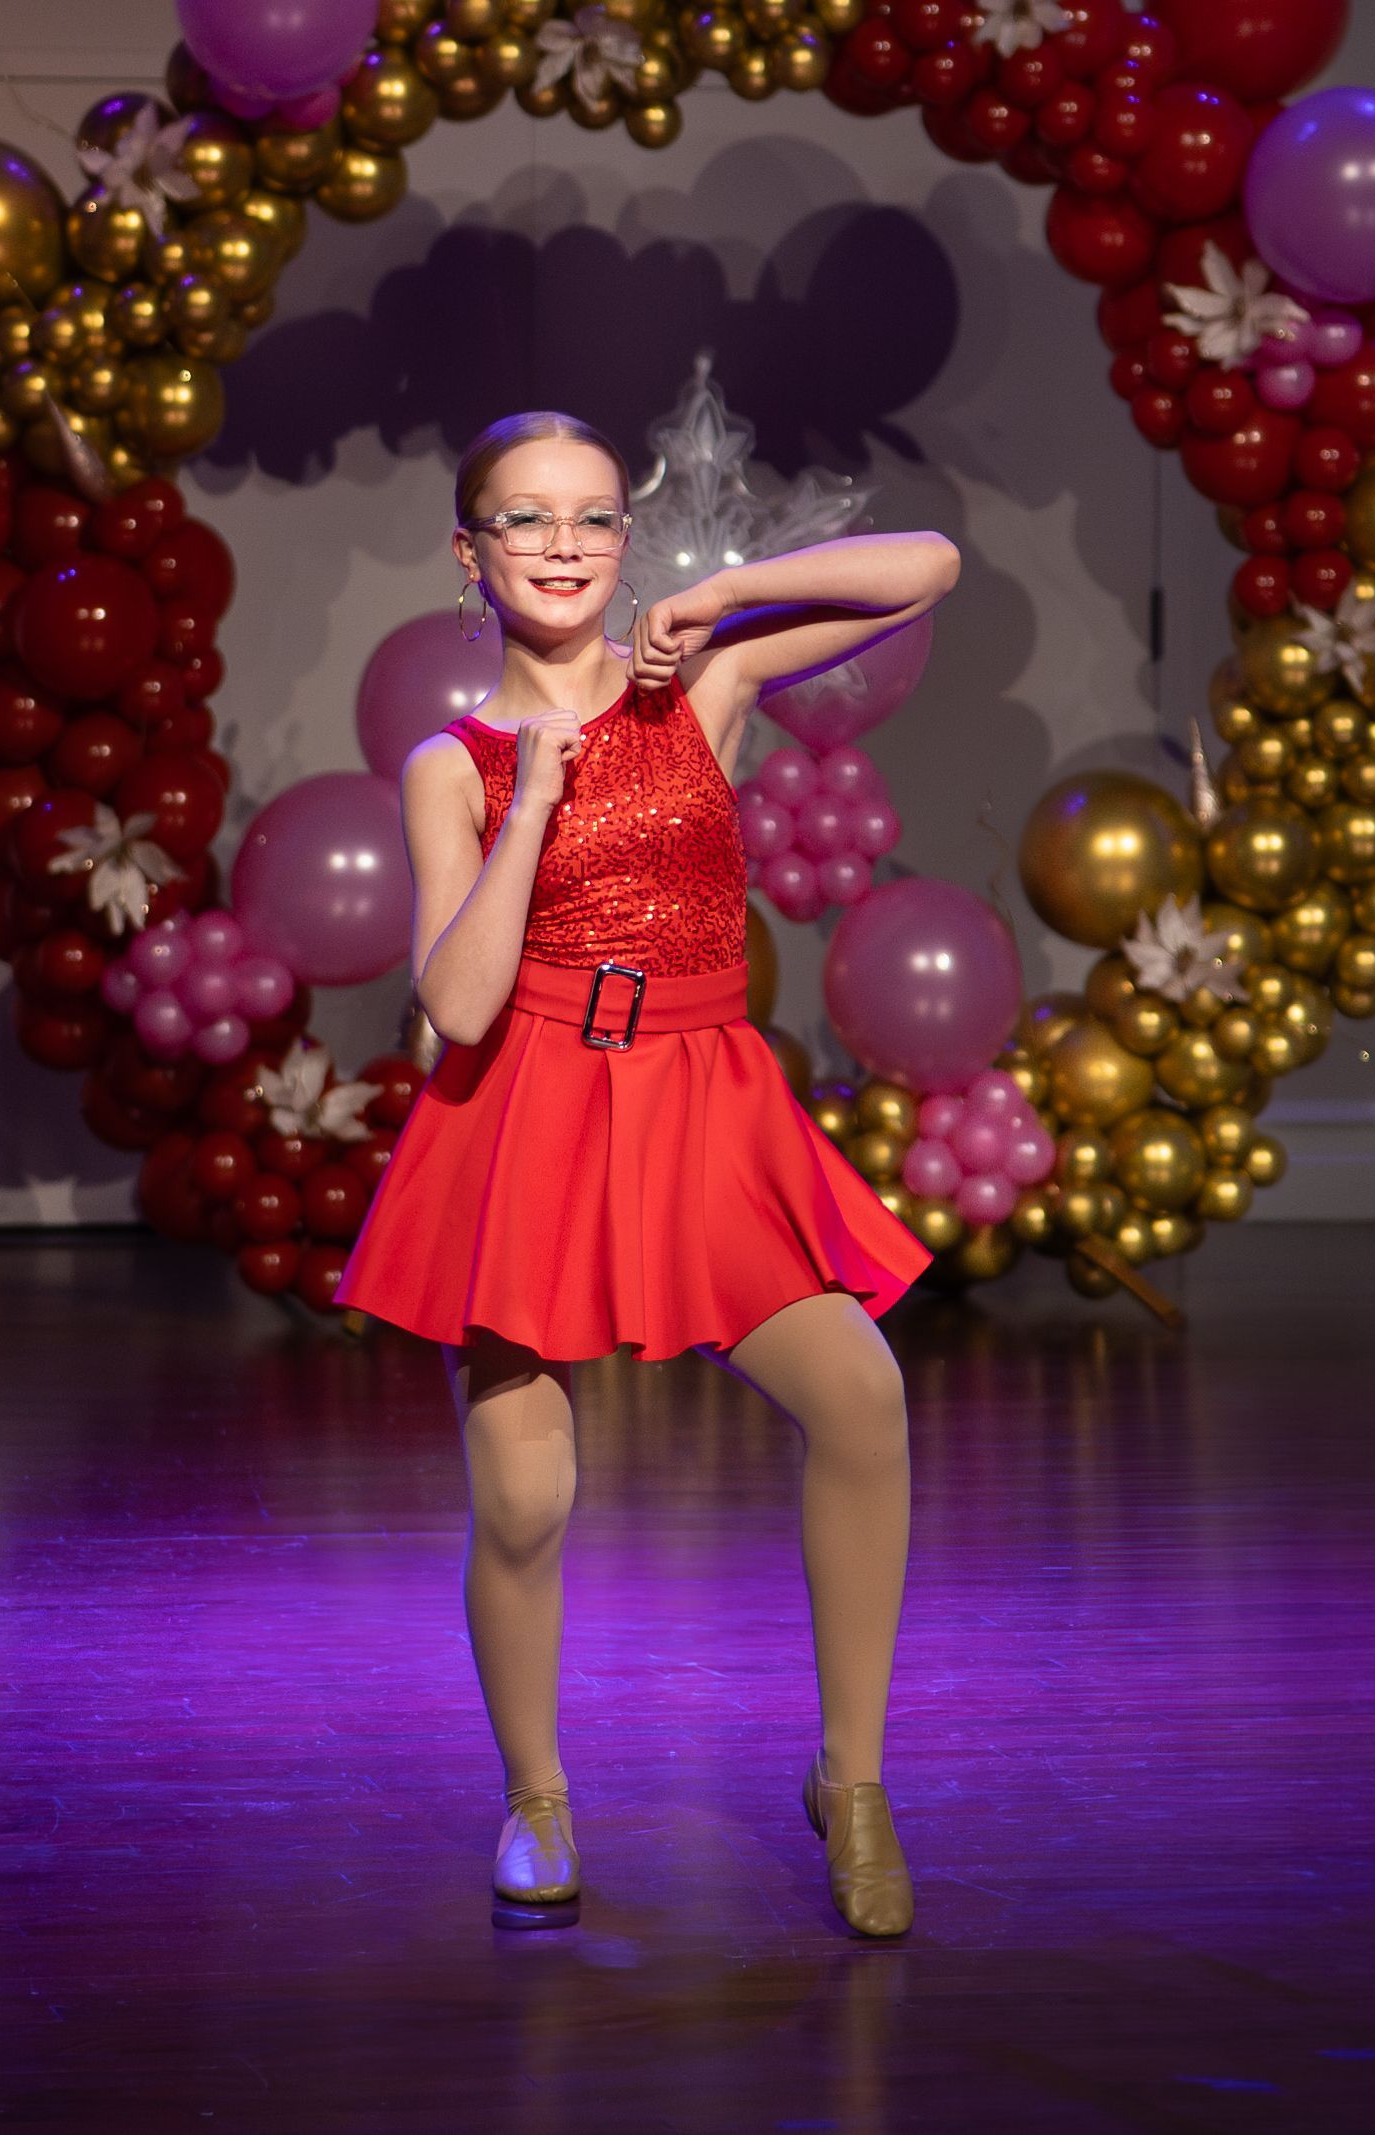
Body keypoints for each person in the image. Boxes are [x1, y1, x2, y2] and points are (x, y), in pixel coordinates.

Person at [334, 409, 959, 1937]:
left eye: (594, 520)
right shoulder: (450, 762)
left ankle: (853, 1784)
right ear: (467, 556)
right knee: (530, 1501)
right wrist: (532, 798)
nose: (564, 549)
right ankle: (538, 1794)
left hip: (699, 1096)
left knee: (863, 1395)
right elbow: (461, 1005)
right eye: (527, 522)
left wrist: (724, 592)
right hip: (528, 1104)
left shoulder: (705, 689)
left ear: (625, 539)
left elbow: (926, 567)